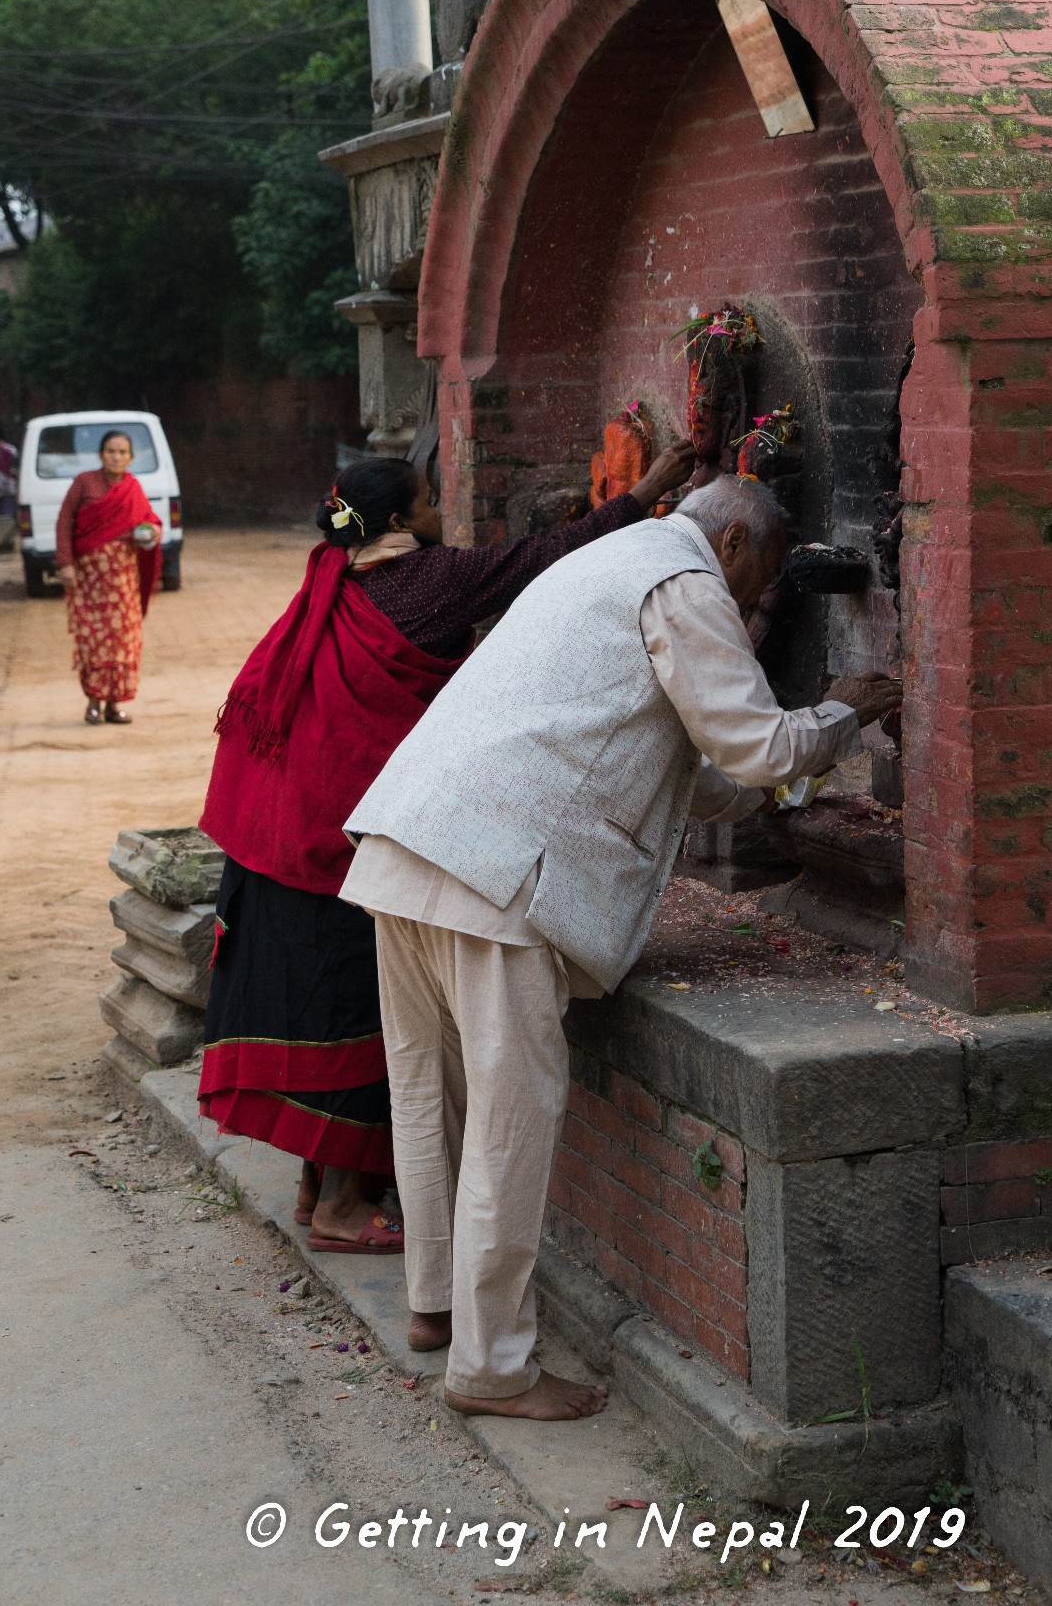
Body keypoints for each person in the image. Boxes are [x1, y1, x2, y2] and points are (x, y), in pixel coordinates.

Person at [341, 474, 901, 1421]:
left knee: (429, 1095)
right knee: (508, 1124)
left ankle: (436, 1305)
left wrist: (787, 781)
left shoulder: (609, 559)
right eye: (759, 581)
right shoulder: (684, 579)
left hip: (413, 840)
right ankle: (492, 1370)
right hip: (499, 873)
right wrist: (841, 712)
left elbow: (703, 774)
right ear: (731, 542)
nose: (755, 603)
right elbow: (756, 749)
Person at [196, 440, 697, 1256]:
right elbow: (544, 560)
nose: (438, 511)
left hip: (272, 825)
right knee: (356, 1011)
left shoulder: (332, 578)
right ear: (400, 521)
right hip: (335, 840)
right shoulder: (430, 580)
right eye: (429, 500)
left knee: (313, 1003)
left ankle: (316, 1186)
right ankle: (344, 1209)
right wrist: (645, 492)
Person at [55, 429, 162, 726]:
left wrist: (152, 533)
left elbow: (150, 521)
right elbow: (64, 521)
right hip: (90, 579)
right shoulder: (84, 483)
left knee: (124, 640)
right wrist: (65, 563)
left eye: (122, 452)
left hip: (124, 582)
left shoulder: (133, 488)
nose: (116, 456)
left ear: (130, 457)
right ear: (101, 454)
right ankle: (93, 702)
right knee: (93, 639)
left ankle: (116, 705)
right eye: (111, 451)